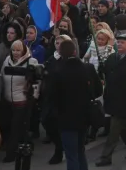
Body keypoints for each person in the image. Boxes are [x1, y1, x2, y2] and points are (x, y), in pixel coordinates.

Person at [95, 33, 126, 167]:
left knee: (114, 130)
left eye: (123, 42)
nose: (119, 44)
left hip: (124, 101)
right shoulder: (112, 58)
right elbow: (107, 74)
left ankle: (105, 156)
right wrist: (102, 69)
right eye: (118, 42)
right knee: (124, 128)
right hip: (111, 98)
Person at [51, 39, 103, 170]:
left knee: (71, 154)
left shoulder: (57, 71)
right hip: (84, 116)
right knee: (80, 151)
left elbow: (52, 97)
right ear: (75, 51)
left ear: (61, 53)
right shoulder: (88, 68)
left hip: (66, 118)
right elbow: (98, 90)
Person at [0, 39, 41, 162]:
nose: (16, 52)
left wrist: (34, 97)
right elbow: (1, 76)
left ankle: (11, 154)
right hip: (7, 101)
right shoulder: (7, 60)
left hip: (22, 102)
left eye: (18, 50)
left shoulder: (32, 62)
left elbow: (37, 82)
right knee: (12, 126)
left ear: (23, 50)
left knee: (15, 128)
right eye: (13, 50)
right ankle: (26, 145)